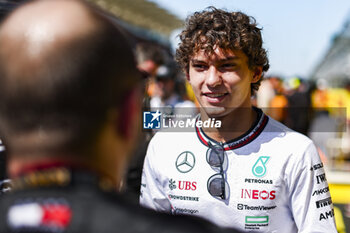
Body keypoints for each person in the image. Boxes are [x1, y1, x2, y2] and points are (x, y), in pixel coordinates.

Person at [0, 1, 243, 233]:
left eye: (162, 79)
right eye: (157, 80)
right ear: (128, 115)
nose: (160, 85)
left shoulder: (184, 109)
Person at [140, 7, 337, 233]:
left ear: (255, 72)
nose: (212, 80)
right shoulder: (162, 146)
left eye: (227, 66)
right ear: (187, 74)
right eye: (200, 67)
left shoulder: (297, 152)